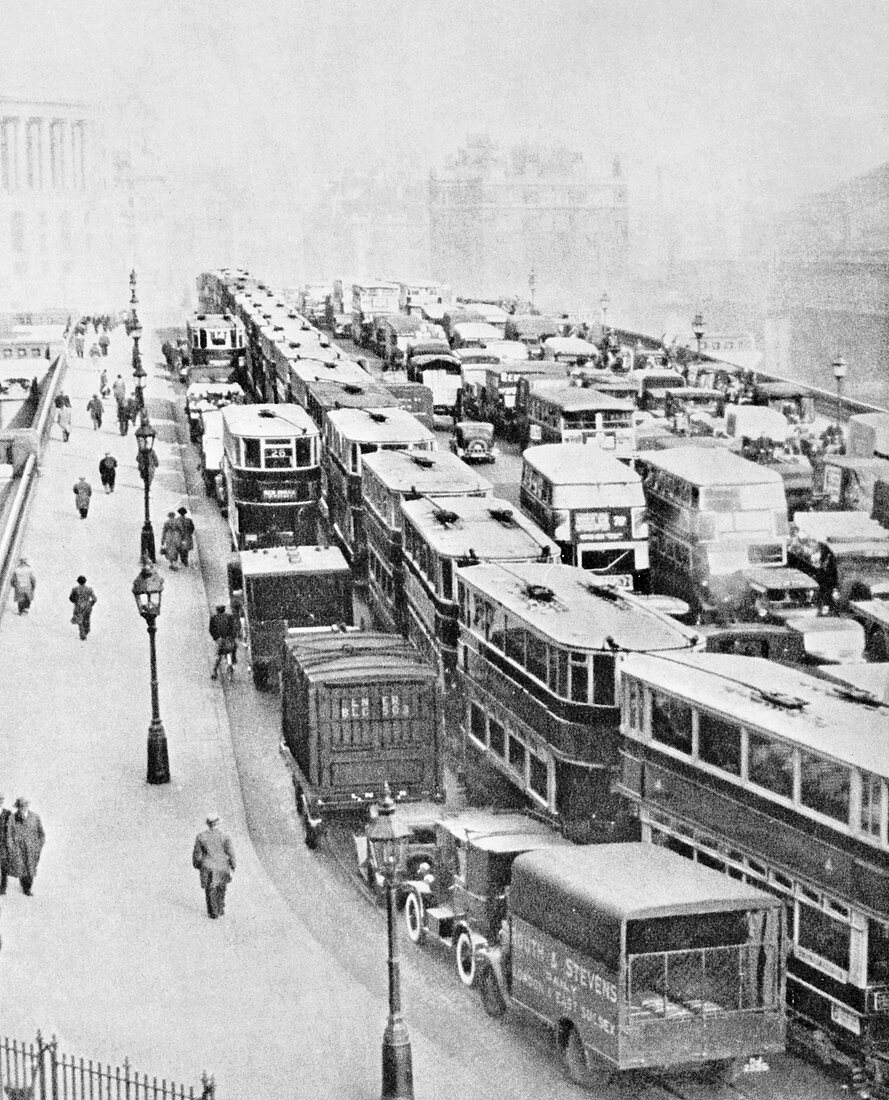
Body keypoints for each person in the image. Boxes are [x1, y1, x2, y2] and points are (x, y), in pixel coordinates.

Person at [192, 814, 235, 919]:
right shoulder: (225, 836)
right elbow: (230, 852)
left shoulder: (201, 836)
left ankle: (213, 911)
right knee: (221, 886)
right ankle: (220, 908)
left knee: (210, 888)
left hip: (207, 866)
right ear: (218, 823)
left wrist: (197, 864)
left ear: (208, 824)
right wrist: (233, 864)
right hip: (222, 865)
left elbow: (197, 854)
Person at [2, 798, 45, 896]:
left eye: (24, 805)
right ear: (18, 807)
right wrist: (11, 848)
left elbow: (41, 833)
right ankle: (24, 887)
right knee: (22, 868)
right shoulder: (12, 818)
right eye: (20, 806)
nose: (23, 808)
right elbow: (9, 834)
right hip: (18, 849)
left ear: (27, 806)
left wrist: (38, 846)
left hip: (32, 849)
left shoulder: (35, 817)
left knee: (30, 868)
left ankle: (28, 888)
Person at [209, 604, 239, 681]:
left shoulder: (214, 618)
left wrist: (216, 638)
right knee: (232, 649)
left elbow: (211, 630)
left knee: (218, 656)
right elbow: (234, 628)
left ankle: (214, 671)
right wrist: (232, 637)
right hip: (228, 639)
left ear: (217, 611)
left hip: (220, 640)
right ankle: (233, 661)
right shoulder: (229, 617)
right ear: (224, 610)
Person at [69, 575, 97, 640]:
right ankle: (86, 631)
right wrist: (90, 604)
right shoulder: (89, 589)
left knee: (79, 620)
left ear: (78, 582)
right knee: (86, 619)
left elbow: (71, 598)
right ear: (85, 581)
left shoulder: (75, 589)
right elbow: (95, 599)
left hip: (78, 606)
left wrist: (75, 602)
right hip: (87, 606)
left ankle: (82, 633)